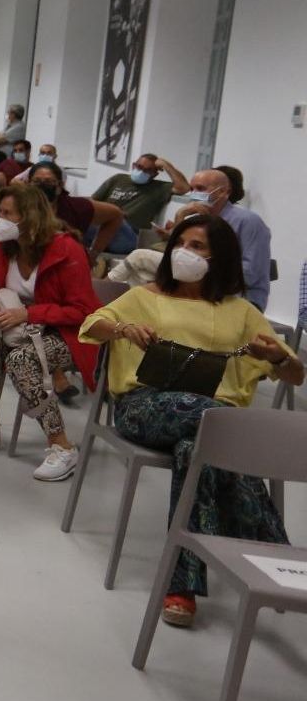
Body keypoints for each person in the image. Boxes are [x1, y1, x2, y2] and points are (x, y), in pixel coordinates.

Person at [79, 214, 300, 627]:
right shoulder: (147, 295)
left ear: (221, 257)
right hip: (146, 408)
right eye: (181, 243)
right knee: (216, 423)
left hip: (211, 426)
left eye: (198, 246)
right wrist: (124, 329)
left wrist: (272, 355)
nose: (185, 252)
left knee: (193, 450)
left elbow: (295, 373)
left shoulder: (240, 311)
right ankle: (274, 549)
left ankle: (180, 585)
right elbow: (93, 325)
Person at [0, 184, 101, 481]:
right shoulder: (3, 248)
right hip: (18, 329)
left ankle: (62, 446)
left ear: (29, 217)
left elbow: (83, 310)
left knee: (21, 359)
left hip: (67, 334)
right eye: (0, 212)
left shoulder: (67, 250)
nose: (0, 220)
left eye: (7, 214)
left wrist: (29, 312)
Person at [186, 167, 271, 310]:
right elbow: (177, 257)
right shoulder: (197, 220)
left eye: (200, 189)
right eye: (192, 189)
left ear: (223, 192)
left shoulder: (249, 222)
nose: (194, 194)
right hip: (200, 290)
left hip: (241, 298)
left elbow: (249, 274)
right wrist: (180, 216)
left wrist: (202, 275)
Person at [92, 152, 190, 252]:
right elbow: (93, 202)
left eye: (147, 170)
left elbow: (184, 188)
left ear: (154, 174)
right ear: (134, 165)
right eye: (139, 167)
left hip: (128, 236)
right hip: (101, 228)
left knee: (115, 216)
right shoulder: (118, 179)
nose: (141, 171)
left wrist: (166, 165)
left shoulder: (159, 188)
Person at [27, 161, 124, 259]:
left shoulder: (76, 207)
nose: (42, 186)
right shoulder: (18, 207)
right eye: (36, 181)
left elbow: (116, 214)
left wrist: (93, 254)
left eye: (49, 182)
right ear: (28, 184)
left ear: (60, 186)